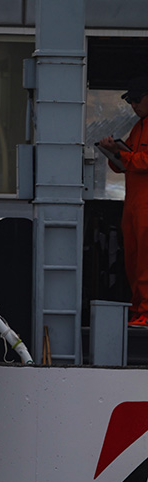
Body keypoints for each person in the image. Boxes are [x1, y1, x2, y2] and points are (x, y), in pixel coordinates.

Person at [101, 75, 148, 327]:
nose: (134, 105)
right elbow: (126, 161)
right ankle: (139, 309)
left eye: (137, 99)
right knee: (133, 259)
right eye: (130, 101)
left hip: (145, 206)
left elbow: (143, 160)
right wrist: (113, 153)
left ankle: (146, 312)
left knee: (145, 261)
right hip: (134, 205)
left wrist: (120, 154)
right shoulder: (138, 128)